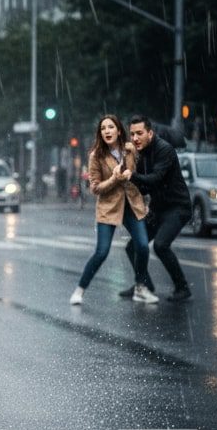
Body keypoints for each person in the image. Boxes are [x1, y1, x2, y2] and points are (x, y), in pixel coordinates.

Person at [70, 115, 156, 305]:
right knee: (102, 252)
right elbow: (95, 188)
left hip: (132, 204)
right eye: (103, 128)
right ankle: (80, 290)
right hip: (109, 207)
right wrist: (114, 179)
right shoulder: (96, 156)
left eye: (110, 127)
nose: (107, 131)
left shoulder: (130, 150)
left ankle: (140, 288)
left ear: (118, 130)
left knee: (142, 246)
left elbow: (140, 172)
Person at [120, 114, 193, 302]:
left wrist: (131, 176)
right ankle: (144, 284)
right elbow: (145, 187)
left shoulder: (164, 150)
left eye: (139, 133)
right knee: (133, 246)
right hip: (158, 208)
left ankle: (182, 287)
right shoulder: (141, 154)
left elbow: (155, 179)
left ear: (150, 133)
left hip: (178, 207)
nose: (135, 138)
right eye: (132, 134)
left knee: (160, 245)